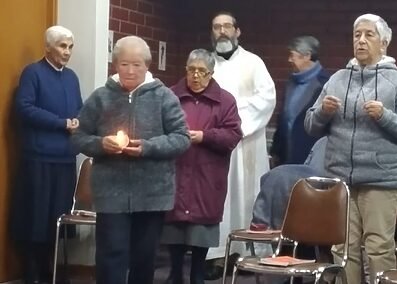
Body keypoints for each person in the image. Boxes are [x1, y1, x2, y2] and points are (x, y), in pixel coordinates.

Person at [71, 36, 190, 284]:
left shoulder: (164, 97)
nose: (130, 70)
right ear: (115, 64)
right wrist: (100, 144)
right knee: (111, 255)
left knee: (144, 258)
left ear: (147, 66)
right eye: (124, 64)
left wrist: (147, 147)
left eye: (137, 64)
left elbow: (181, 138)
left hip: (152, 194)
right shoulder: (100, 97)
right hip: (110, 193)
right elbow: (79, 137)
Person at [304, 14, 397, 284]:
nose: (361, 40)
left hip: (381, 180)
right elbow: (310, 125)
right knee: (342, 248)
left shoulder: (396, 82)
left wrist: (385, 117)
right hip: (341, 179)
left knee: (378, 247)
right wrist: (323, 112)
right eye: (357, 34)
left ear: (384, 44)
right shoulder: (336, 79)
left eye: (369, 35)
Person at [205, 11, 277, 279]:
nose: (222, 31)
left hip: (245, 143)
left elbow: (266, 99)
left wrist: (234, 125)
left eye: (227, 26)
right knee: (219, 200)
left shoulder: (253, 63)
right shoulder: (206, 64)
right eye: (216, 27)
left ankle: (248, 255)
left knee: (247, 196)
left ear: (238, 31)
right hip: (215, 146)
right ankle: (216, 255)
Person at [162, 49, 242, 284]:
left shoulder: (225, 101)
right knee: (173, 225)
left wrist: (204, 136)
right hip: (176, 170)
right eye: (191, 70)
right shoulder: (170, 96)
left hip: (208, 174)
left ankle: (197, 273)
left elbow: (233, 135)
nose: (195, 76)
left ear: (211, 73)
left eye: (202, 72)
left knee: (201, 228)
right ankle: (175, 272)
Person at [11, 25, 82, 284]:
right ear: (48, 48)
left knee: (57, 219)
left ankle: (50, 271)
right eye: (62, 46)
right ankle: (31, 272)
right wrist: (62, 123)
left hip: (65, 158)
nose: (67, 52)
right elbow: (25, 108)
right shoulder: (34, 73)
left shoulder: (72, 77)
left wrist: (81, 123)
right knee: (35, 218)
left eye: (70, 47)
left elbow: (79, 109)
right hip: (38, 157)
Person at [270, 36, 330, 167]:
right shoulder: (291, 82)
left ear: (307, 56)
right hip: (286, 157)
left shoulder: (326, 84)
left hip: (311, 158)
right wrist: (275, 151)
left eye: (292, 55)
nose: (289, 60)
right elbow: (283, 119)